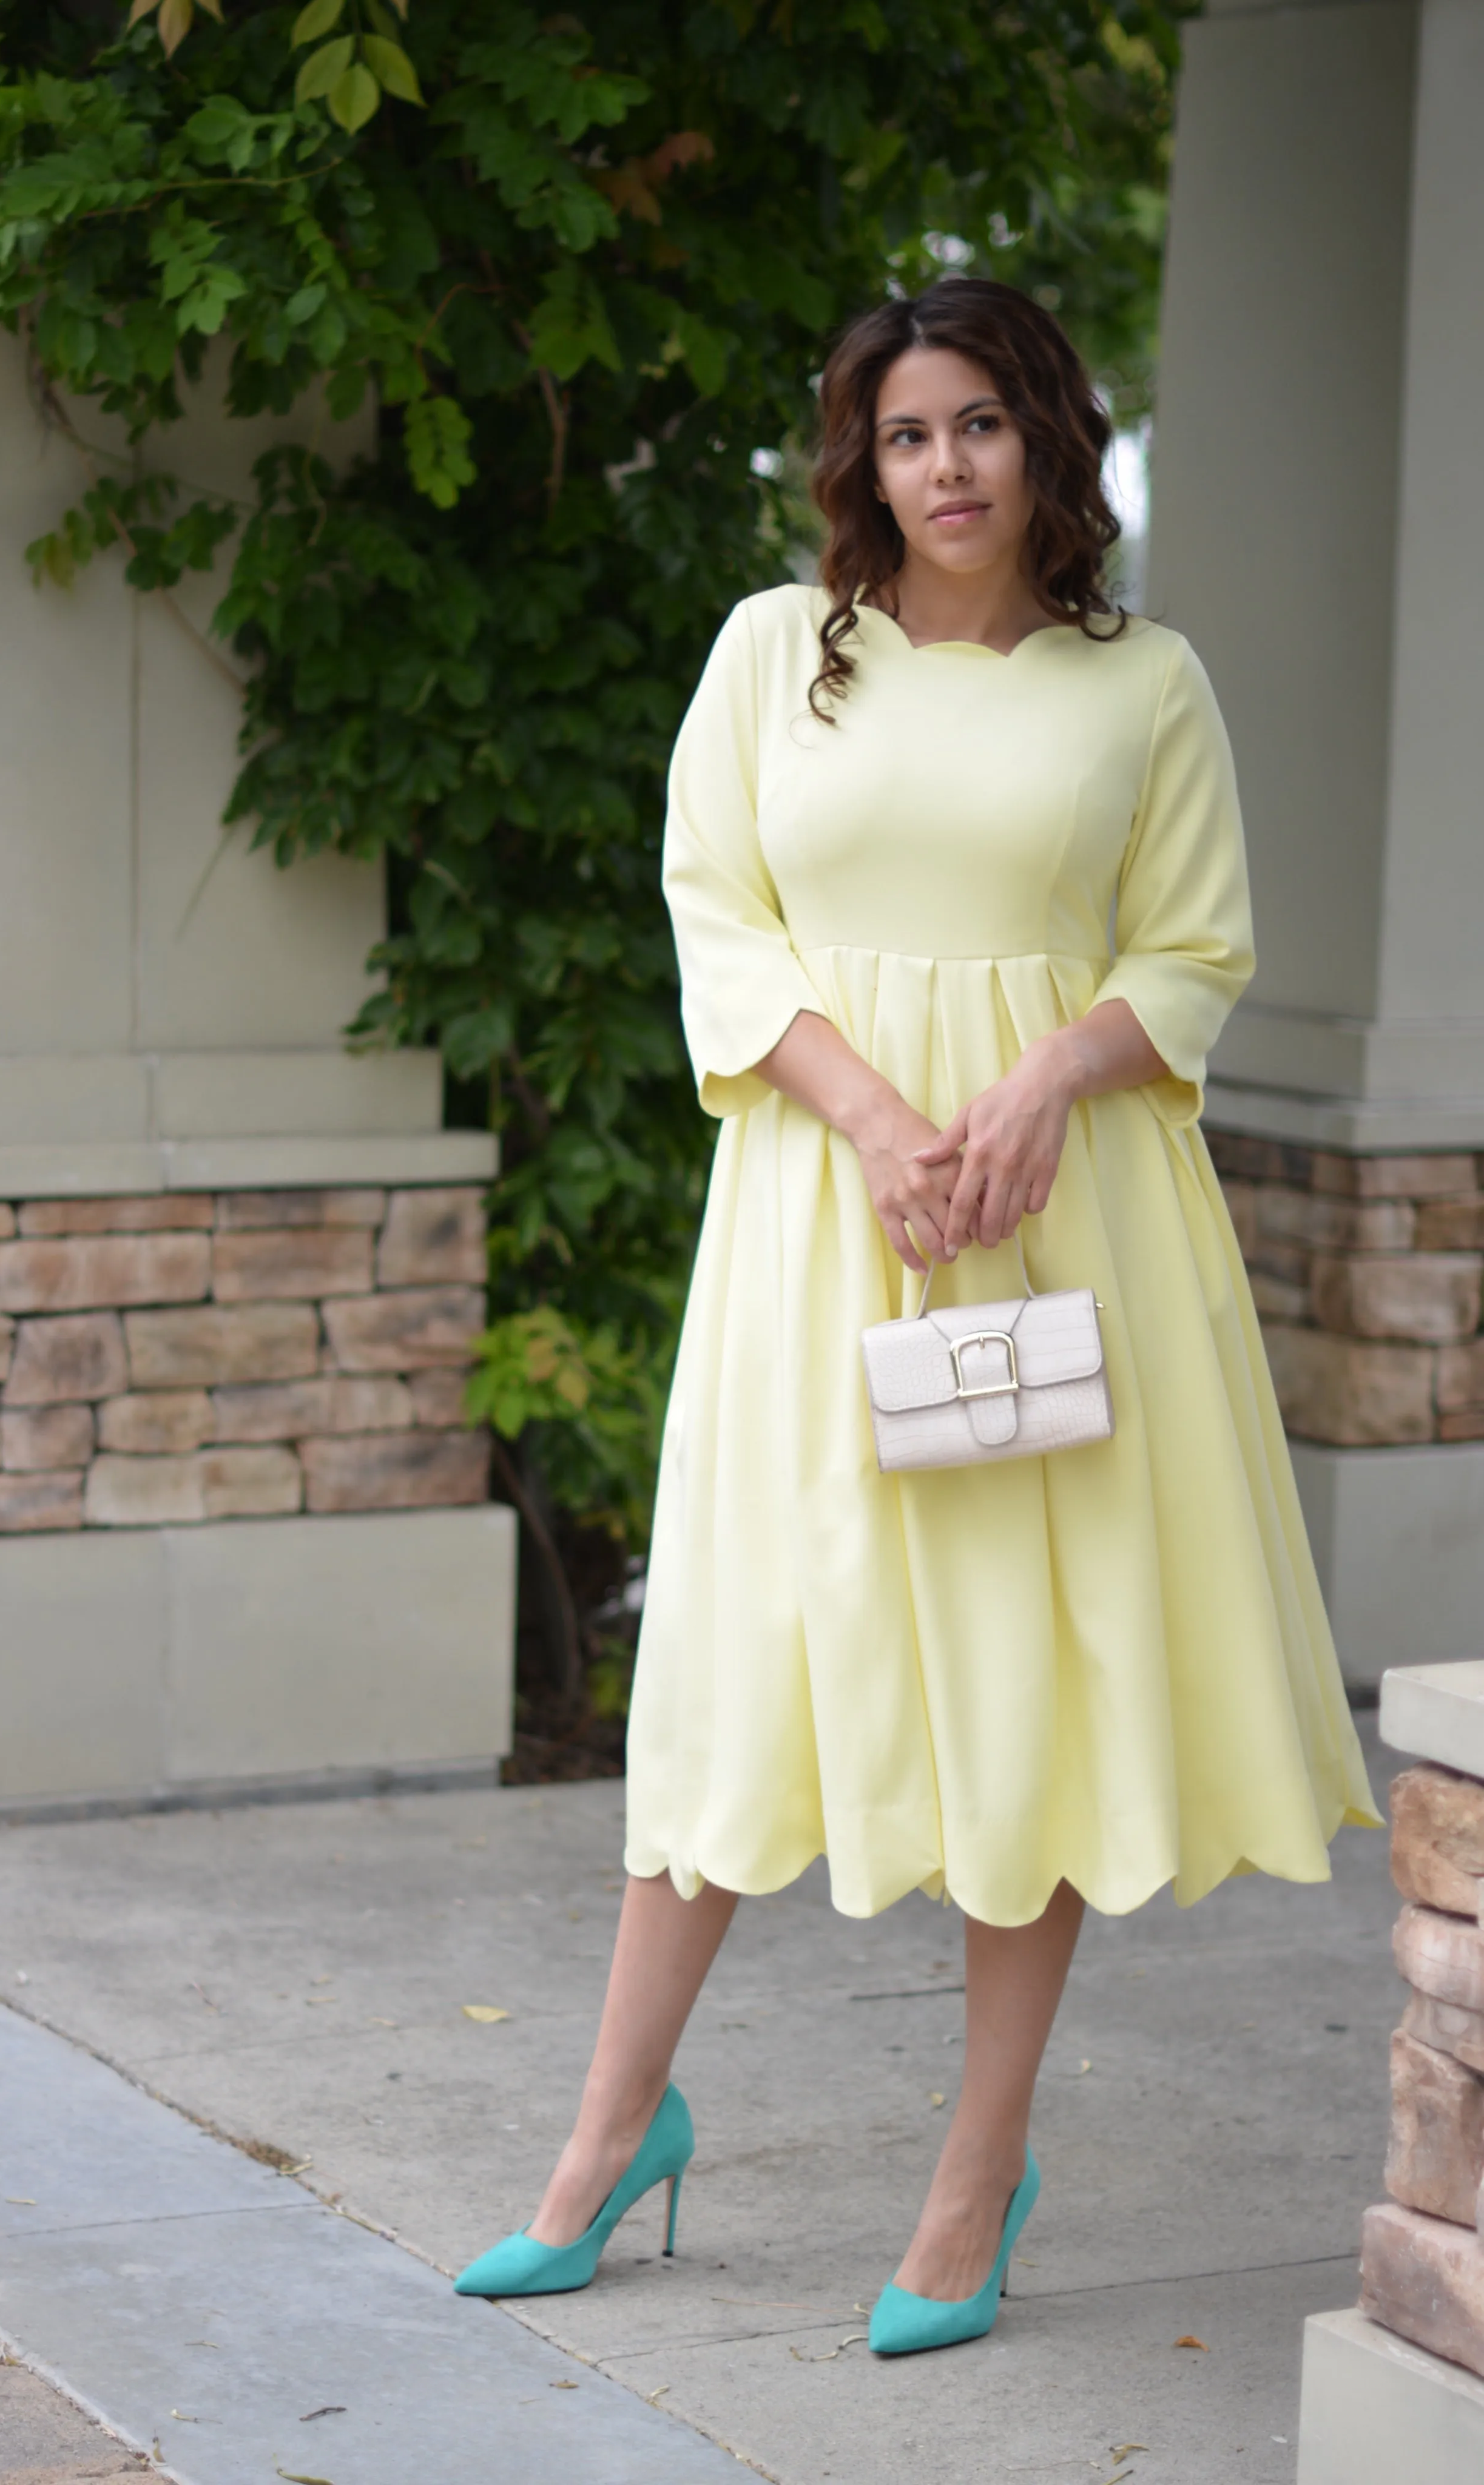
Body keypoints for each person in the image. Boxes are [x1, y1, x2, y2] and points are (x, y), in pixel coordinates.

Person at [455, 276, 1377, 2354]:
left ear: (1051, 437)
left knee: (1009, 1677)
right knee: (747, 1651)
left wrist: (1044, 1083)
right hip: (821, 1201)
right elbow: (716, 908)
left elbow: (1201, 950)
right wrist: (871, 1114)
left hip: (1058, 1218)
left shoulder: (1144, 684)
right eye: (903, 434)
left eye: (979, 423)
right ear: (859, 465)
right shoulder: (782, 655)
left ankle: (975, 2184)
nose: (944, 466)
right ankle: (606, 2140)